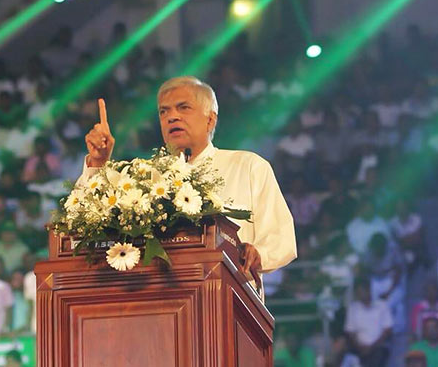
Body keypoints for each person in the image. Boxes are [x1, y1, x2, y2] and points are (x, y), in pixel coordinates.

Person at [80, 77, 296, 290]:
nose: (172, 117)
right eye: (164, 112)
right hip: (154, 300)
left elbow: (281, 238)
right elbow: (87, 219)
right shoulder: (144, 177)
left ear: (210, 120)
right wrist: (98, 164)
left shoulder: (247, 166)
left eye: (183, 108)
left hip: (228, 300)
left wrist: (259, 255)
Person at [344, 278, 392, 367]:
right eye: (357, 292)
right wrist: (359, 346)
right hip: (359, 348)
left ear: (368, 290)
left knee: (379, 355)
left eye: (361, 291)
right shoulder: (353, 308)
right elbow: (350, 332)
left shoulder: (382, 305)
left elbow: (387, 330)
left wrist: (372, 347)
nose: (359, 295)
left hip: (378, 346)